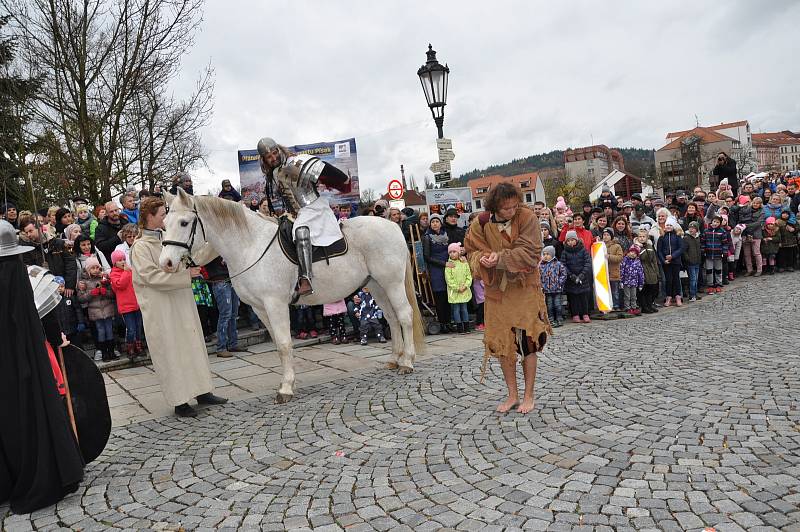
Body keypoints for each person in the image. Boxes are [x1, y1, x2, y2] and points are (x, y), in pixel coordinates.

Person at [0, 220, 86, 514]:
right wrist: (53, 336)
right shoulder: (18, 277)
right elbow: (39, 315)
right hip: (26, 365)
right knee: (33, 413)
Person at [131, 196, 227, 418]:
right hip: (161, 309)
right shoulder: (140, 247)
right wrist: (185, 276)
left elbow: (191, 257)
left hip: (181, 302)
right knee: (171, 352)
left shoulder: (168, 238)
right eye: (162, 215)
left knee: (193, 345)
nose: (166, 218)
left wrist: (216, 241)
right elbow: (150, 276)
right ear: (148, 217)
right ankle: (179, 401)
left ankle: (203, 391)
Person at [464, 182, 551, 414]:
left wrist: (499, 259)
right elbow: (471, 251)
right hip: (497, 293)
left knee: (529, 343)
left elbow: (530, 252)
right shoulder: (480, 223)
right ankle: (512, 394)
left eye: (514, 206)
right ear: (494, 207)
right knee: (503, 345)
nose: (511, 211)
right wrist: (482, 259)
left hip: (524, 289)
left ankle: (528, 395)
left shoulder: (527, 217)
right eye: (506, 208)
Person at [257, 137, 352, 301]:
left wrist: (344, 181)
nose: (273, 158)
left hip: (312, 208)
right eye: (269, 157)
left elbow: (326, 170)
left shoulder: (296, 162)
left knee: (301, 231)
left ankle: (306, 279)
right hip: (294, 213)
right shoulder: (272, 174)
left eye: (274, 153)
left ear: (278, 149)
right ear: (264, 160)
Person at [17, 217, 78, 297]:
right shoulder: (29, 250)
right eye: (26, 232)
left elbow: (71, 264)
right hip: (45, 292)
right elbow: (31, 271)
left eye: (31, 231)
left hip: (64, 288)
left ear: (39, 228)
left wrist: (70, 285)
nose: (29, 235)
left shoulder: (58, 243)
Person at [77, 256, 118, 362]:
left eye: (97, 267)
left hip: (107, 308)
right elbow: (81, 298)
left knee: (109, 330)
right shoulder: (84, 282)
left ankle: (111, 351)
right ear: (87, 269)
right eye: (93, 268)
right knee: (101, 331)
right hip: (95, 311)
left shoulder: (104, 278)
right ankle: (104, 352)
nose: (96, 270)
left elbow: (113, 294)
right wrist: (92, 293)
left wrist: (105, 292)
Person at [204, 256, 244, 358]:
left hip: (230, 280)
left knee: (233, 314)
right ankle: (221, 348)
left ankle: (233, 344)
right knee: (225, 315)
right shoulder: (210, 247)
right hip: (220, 281)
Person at [109, 249, 144, 359]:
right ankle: (130, 348)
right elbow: (120, 285)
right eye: (120, 260)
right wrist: (126, 272)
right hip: (126, 307)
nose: (123, 261)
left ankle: (138, 346)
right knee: (131, 329)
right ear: (114, 263)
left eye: (124, 259)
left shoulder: (129, 270)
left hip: (136, 304)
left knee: (138, 327)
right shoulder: (114, 274)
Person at [422, 214, 451, 332]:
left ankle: (449, 322)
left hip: (449, 267)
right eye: (432, 221)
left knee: (449, 296)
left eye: (437, 221)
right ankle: (442, 323)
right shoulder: (427, 237)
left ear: (440, 223)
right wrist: (443, 264)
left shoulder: (446, 235)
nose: (435, 223)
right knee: (440, 297)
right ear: (430, 224)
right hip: (436, 269)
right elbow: (427, 257)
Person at [562, 230, 593, 323]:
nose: (571, 242)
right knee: (573, 298)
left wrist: (582, 275)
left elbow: (587, 263)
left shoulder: (582, 250)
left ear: (576, 240)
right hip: (571, 278)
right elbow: (563, 265)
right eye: (569, 240)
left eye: (572, 240)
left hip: (583, 278)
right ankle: (575, 314)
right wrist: (571, 275)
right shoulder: (565, 252)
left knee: (584, 298)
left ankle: (585, 314)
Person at [444, 242, 472, 334]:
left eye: (454, 251)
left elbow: (469, 275)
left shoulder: (464, 263)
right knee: (456, 309)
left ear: (459, 252)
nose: (452, 254)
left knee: (464, 309)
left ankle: (467, 327)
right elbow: (449, 279)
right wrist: (456, 288)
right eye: (450, 252)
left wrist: (466, 286)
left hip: (464, 290)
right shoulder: (449, 265)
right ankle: (460, 328)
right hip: (455, 292)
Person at [657, 217, 684, 307]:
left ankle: (678, 296)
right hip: (666, 262)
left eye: (670, 225)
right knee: (668, 280)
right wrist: (663, 260)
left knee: (676, 279)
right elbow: (659, 250)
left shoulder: (677, 236)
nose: (668, 226)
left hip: (675, 261)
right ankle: (668, 297)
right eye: (667, 225)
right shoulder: (662, 237)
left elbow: (681, 248)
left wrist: (673, 256)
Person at [539, 245, 566, 327]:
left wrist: (559, 282)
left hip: (557, 289)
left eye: (547, 254)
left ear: (552, 254)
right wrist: (541, 284)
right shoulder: (541, 266)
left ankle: (559, 319)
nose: (545, 256)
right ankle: (551, 319)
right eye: (544, 254)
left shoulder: (558, 264)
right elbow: (539, 276)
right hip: (547, 290)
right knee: (549, 306)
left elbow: (564, 274)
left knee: (557, 305)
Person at [701, 215, 730, 293]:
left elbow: (725, 243)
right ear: (711, 222)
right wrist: (703, 250)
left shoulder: (722, 232)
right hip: (708, 254)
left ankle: (718, 284)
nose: (715, 223)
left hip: (718, 254)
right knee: (709, 270)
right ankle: (710, 284)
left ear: (720, 223)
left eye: (717, 222)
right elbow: (703, 242)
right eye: (714, 221)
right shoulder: (706, 231)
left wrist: (724, 252)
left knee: (718, 270)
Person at [94, 200, 127, 265]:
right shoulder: (100, 228)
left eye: (116, 210)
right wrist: (117, 238)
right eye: (111, 212)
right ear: (106, 213)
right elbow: (100, 247)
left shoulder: (125, 223)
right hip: (112, 263)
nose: (115, 213)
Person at [619, 245, 644, 315]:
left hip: (634, 282)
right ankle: (627, 307)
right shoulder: (625, 260)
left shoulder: (637, 262)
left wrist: (641, 284)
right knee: (627, 296)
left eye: (635, 253)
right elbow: (621, 271)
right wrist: (621, 281)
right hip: (626, 282)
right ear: (628, 252)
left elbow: (640, 273)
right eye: (631, 252)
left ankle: (634, 307)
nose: (632, 254)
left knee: (633, 296)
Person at [682, 221, 702, 301]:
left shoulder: (697, 237)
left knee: (696, 279)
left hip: (697, 261)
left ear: (696, 230)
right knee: (692, 279)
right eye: (690, 228)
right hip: (691, 262)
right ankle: (692, 294)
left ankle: (695, 293)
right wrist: (688, 259)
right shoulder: (686, 238)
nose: (691, 230)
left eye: (693, 228)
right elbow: (684, 251)